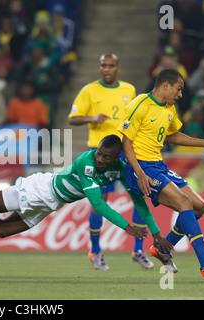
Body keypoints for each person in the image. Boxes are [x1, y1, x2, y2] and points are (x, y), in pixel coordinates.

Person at [0, 135, 174, 256]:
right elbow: (97, 203)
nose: (100, 158)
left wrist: (155, 232)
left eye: (106, 157)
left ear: (116, 158)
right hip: (39, 190)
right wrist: (126, 227)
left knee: (0, 231)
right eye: (99, 153)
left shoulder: (119, 170)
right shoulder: (86, 162)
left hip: (50, 204)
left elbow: (139, 200)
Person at [118, 69, 204, 278]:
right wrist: (140, 173)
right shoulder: (139, 104)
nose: (180, 94)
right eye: (178, 89)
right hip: (141, 167)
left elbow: (173, 136)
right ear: (165, 85)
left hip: (158, 165)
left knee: (200, 206)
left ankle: (163, 248)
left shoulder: (169, 108)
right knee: (184, 203)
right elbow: (126, 142)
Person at [68, 53, 152, 270]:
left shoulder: (129, 90)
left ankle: (138, 249)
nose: (107, 69)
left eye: (111, 66)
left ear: (118, 68)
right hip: (99, 155)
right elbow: (72, 118)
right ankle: (95, 251)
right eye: (104, 65)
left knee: (139, 196)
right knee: (100, 202)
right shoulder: (89, 90)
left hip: (124, 152)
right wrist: (92, 118)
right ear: (99, 67)